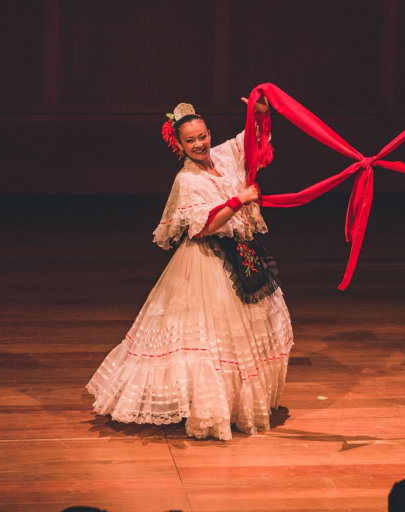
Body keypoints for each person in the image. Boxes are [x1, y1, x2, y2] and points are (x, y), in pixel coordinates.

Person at [87, 100, 293, 440]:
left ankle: (230, 404)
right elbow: (205, 227)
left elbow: (254, 142)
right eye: (190, 141)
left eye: (202, 137)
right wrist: (238, 200)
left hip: (238, 255)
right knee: (206, 338)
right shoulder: (187, 179)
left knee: (241, 336)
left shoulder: (223, 157)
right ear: (178, 145)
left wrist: (260, 113)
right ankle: (206, 407)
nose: (198, 145)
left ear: (209, 134)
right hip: (207, 260)